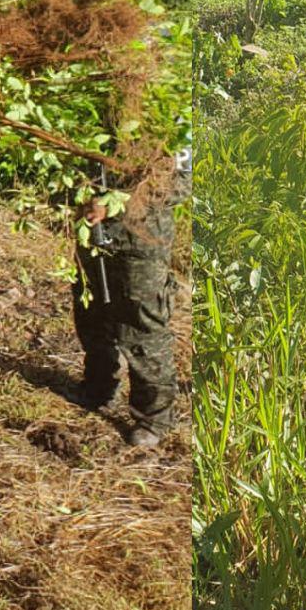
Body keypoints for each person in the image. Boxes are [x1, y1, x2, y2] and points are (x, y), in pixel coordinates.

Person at [69, 145, 191, 447]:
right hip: (92, 234)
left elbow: (181, 184)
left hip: (141, 242)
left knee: (143, 325)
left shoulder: (170, 117)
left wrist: (115, 206)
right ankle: (98, 387)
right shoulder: (97, 110)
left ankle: (153, 417)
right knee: (91, 312)